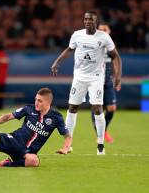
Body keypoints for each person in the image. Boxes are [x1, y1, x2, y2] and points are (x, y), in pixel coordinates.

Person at [51, 10, 122, 155]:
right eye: (86, 19)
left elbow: (116, 57)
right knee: (72, 108)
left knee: (97, 109)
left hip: (96, 78)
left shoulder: (104, 37)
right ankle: (68, 144)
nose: (88, 21)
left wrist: (118, 77)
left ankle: (100, 144)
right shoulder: (77, 34)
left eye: (91, 19)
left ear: (96, 22)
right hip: (79, 77)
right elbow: (69, 49)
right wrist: (57, 62)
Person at [91, 23, 120, 143]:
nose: (102, 31)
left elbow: (115, 62)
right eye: (100, 29)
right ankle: (100, 133)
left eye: (105, 29)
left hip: (107, 80)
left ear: (109, 31)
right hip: (94, 80)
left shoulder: (111, 47)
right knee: (97, 107)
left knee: (112, 108)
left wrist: (117, 79)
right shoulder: (92, 45)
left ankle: (104, 130)